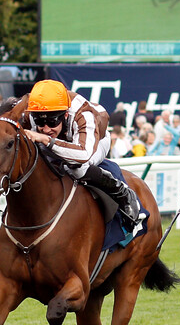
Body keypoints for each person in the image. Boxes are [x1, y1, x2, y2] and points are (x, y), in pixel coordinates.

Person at [23, 80, 140, 223]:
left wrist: (45, 139)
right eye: (40, 122)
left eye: (52, 122)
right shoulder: (33, 110)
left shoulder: (83, 114)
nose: (46, 129)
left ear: (65, 115)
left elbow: (83, 155)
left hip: (92, 144)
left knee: (77, 168)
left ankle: (122, 192)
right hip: (60, 142)